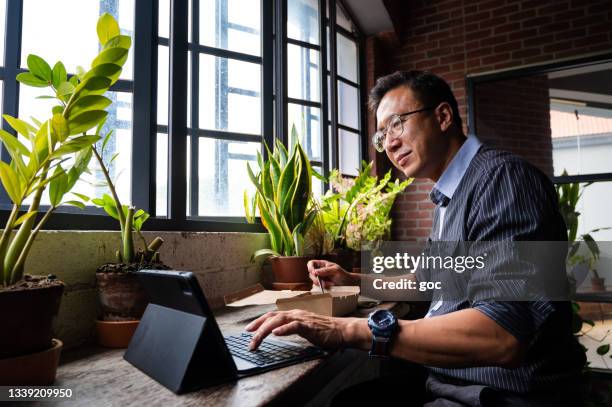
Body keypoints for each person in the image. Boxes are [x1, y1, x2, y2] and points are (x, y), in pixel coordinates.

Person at [245, 71, 586, 406]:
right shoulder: (450, 196)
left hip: (500, 395)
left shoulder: (501, 180)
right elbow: (425, 281)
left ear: (442, 116)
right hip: (451, 381)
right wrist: (355, 280)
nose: (389, 144)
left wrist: (344, 329)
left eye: (397, 123)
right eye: (382, 136)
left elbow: (502, 334)